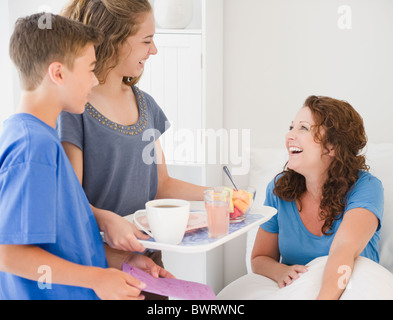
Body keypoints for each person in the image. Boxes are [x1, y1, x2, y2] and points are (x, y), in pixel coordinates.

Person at [0, 12, 173, 300]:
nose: (94, 81)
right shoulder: (34, 146)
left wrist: (122, 262)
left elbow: (66, 243)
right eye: (90, 69)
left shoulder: (40, 140)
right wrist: (96, 279)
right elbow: (9, 253)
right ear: (58, 73)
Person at [56, 0, 207, 256]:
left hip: (148, 257)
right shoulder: (73, 110)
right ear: (112, 40)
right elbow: (71, 199)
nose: (154, 50)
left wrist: (220, 195)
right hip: (99, 265)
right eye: (146, 41)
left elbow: (162, 185)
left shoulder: (146, 105)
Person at [250, 95, 384, 299]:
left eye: (303, 128)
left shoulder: (366, 187)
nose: (289, 136)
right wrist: (280, 272)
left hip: (352, 288)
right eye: (291, 127)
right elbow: (260, 258)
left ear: (332, 147)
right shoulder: (278, 190)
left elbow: (343, 251)